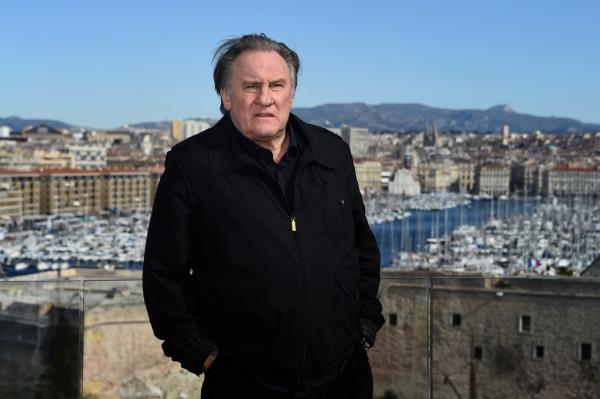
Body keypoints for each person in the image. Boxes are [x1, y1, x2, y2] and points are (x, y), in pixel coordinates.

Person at [143, 33, 384, 398]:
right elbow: (163, 276)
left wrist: (365, 325)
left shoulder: (331, 152)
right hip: (246, 383)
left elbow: (361, 246)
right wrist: (205, 356)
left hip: (343, 377)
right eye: (251, 86)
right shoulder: (192, 166)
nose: (266, 98)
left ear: (291, 92)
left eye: (277, 85)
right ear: (226, 96)